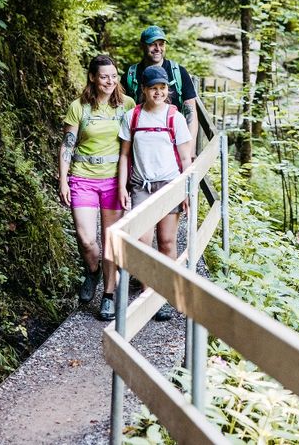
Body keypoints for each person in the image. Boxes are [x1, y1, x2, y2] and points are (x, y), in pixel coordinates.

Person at [59, 54, 135, 322]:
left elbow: (137, 143)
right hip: (82, 178)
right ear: (92, 77)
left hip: (114, 181)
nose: (110, 81)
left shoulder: (126, 105)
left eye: (114, 76)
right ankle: (92, 269)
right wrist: (62, 179)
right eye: (104, 76)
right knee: (87, 239)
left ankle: (109, 295)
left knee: (111, 240)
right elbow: (68, 144)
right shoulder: (78, 107)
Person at [117, 65, 193, 322]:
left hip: (170, 186)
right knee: (142, 242)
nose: (158, 92)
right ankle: (150, 296)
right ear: (144, 90)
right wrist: (121, 188)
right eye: (153, 88)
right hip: (141, 186)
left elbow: (185, 158)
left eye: (162, 88)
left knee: (167, 242)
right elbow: (124, 155)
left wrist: (187, 192)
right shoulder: (133, 117)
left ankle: (164, 294)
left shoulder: (175, 117)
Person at [122, 25, 200, 153]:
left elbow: (191, 113)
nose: (158, 49)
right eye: (152, 44)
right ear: (143, 46)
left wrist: (190, 150)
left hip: (174, 142)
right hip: (140, 145)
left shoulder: (179, 73)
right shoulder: (131, 75)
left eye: (161, 44)